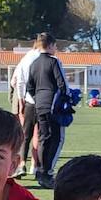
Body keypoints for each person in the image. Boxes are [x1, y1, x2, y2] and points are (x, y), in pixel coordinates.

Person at [26, 36, 68, 187]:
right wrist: (65, 101)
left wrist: (38, 99)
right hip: (53, 106)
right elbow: (62, 84)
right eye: (55, 46)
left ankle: (40, 171)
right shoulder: (53, 61)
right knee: (57, 139)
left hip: (39, 105)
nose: (56, 49)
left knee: (44, 137)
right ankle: (47, 173)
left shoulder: (34, 63)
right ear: (50, 46)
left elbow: (29, 87)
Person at [17, 33, 55, 178]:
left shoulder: (26, 58)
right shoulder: (50, 60)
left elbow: (20, 80)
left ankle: (21, 165)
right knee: (43, 136)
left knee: (25, 135)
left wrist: (21, 99)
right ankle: (38, 167)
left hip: (29, 102)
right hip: (44, 103)